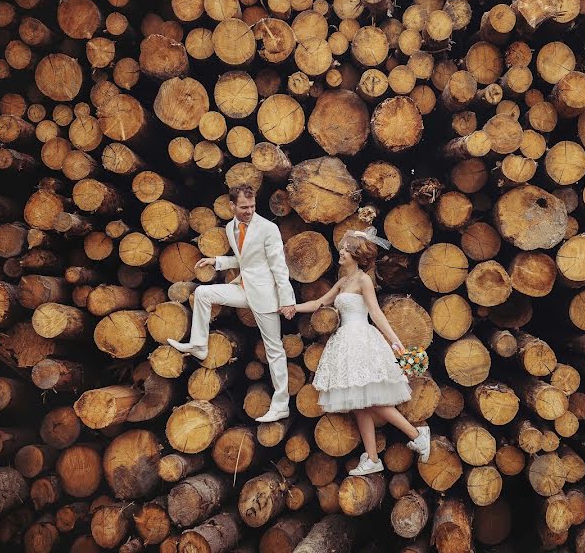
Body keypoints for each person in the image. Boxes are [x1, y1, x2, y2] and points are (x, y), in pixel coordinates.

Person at [292, 227, 431, 475]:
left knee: (373, 399)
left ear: (357, 255)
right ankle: (373, 459)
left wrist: (395, 340)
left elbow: (376, 313)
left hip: (361, 340)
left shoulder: (364, 280)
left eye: (346, 249)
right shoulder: (343, 282)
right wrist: (291, 307)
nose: (342, 252)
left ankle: (416, 433)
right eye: (343, 248)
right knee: (360, 404)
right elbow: (317, 303)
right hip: (344, 341)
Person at [168, 184, 296, 423]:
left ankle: (281, 406)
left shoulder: (268, 229)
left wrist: (287, 300)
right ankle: (199, 345)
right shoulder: (230, 227)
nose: (249, 211)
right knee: (204, 293)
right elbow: (243, 260)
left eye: (252, 206)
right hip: (244, 288)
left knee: (274, 350)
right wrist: (215, 261)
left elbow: (279, 266)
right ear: (232, 206)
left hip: (266, 296)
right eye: (244, 207)